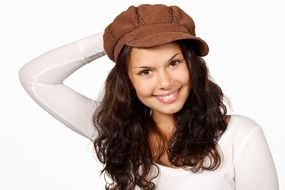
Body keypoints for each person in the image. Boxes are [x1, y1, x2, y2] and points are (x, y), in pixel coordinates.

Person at [19, 4, 279, 190]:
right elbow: (35, 78)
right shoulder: (115, 132)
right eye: (145, 71)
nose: (165, 82)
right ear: (127, 81)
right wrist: (115, 36)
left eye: (174, 63)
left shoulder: (240, 136)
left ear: (192, 65)